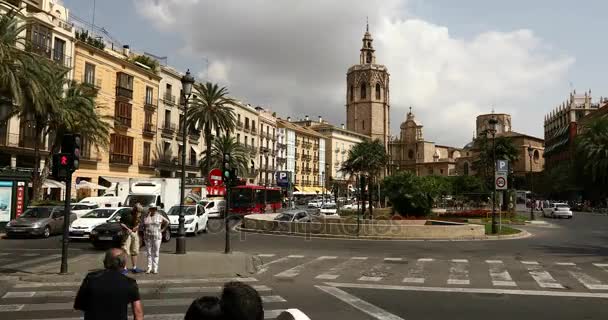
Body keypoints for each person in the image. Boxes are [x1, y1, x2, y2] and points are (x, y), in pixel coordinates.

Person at [74, 248, 143, 320]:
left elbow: (79, 304)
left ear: (105, 262)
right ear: (123, 264)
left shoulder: (91, 278)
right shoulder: (130, 283)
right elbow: (138, 313)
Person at [143, 205, 169, 274]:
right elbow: (144, 224)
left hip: (157, 236)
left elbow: (167, 222)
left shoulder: (159, 216)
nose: (153, 210)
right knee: (149, 253)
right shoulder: (146, 216)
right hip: (147, 236)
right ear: (149, 209)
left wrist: (163, 229)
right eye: (151, 209)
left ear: (156, 209)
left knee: (156, 253)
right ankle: (149, 268)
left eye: (154, 209)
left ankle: (155, 268)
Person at [120, 203, 144, 273]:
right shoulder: (126, 213)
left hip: (134, 233)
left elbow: (139, 222)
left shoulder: (139, 213)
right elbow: (121, 223)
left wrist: (137, 226)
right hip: (127, 233)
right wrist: (128, 229)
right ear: (134, 209)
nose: (138, 213)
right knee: (125, 250)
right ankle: (124, 268)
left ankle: (134, 267)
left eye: (139, 212)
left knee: (135, 250)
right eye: (137, 211)